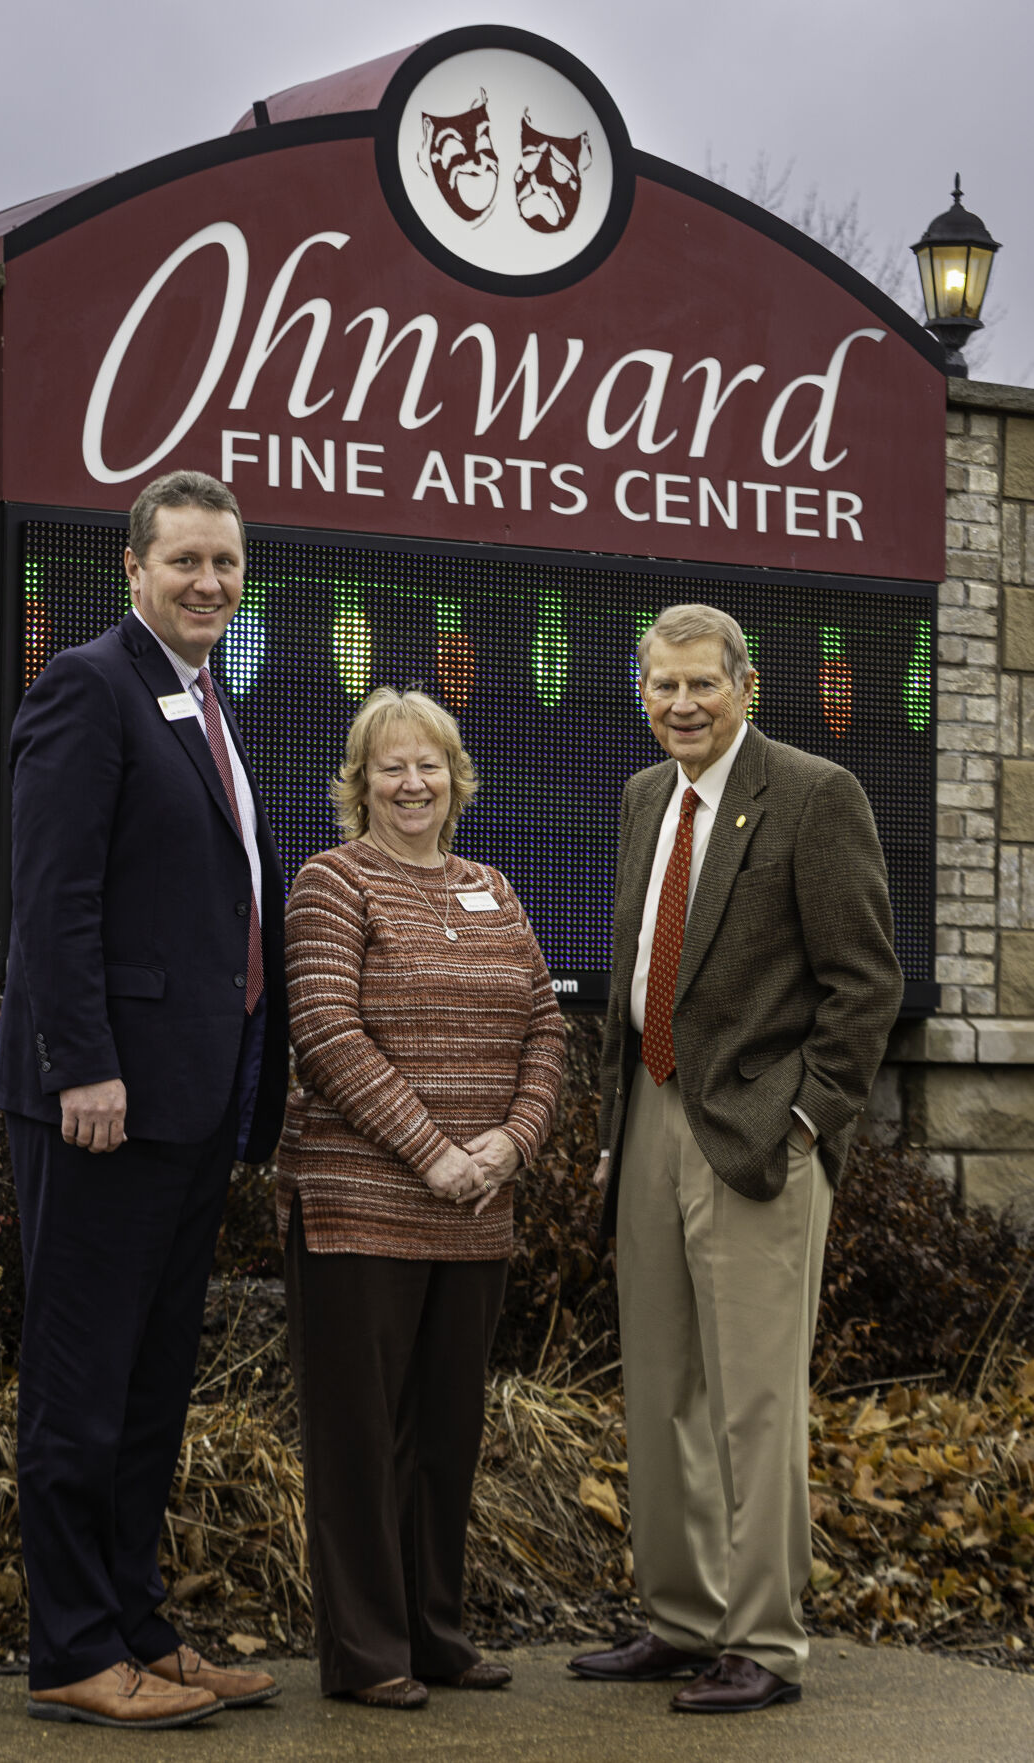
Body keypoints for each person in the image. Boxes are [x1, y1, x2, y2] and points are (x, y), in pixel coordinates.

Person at [0, 469, 290, 1728]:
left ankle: (138, 1627)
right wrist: (83, 1066)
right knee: (81, 1380)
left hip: (189, 1108)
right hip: (99, 1103)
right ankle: (69, 1648)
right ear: (133, 568)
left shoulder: (208, 702)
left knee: (150, 1385)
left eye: (225, 563)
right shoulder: (86, 687)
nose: (209, 582)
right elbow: (51, 900)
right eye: (185, 562)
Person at [569, 604, 902, 1713]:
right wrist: (615, 1134)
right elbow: (630, 974)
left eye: (700, 684)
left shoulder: (813, 795)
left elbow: (865, 984)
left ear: (745, 684)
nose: (679, 705)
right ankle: (678, 1616)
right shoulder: (640, 797)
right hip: (651, 1113)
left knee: (752, 1401)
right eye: (659, 686)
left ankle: (761, 1637)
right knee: (659, 1387)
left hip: (756, 1138)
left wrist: (803, 1122)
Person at [278, 687, 566, 1710]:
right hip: (359, 1205)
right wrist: (431, 1150)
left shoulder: (491, 884)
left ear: (456, 779)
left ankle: (435, 1630)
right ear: (359, 784)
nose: (412, 783)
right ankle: (366, 1650)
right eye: (390, 767)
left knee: (444, 1435)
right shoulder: (331, 883)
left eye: (429, 765)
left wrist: (507, 1142)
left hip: (477, 1209)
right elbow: (325, 1031)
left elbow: (545, 1027)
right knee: (358, 1437)